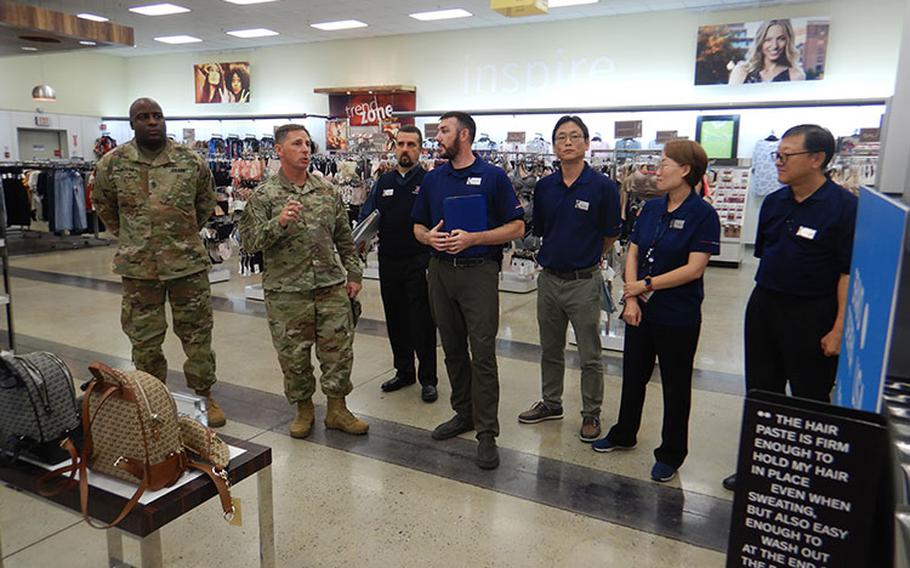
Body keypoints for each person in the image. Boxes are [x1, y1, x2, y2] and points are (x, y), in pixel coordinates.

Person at [722, 124, 856, 491]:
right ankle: (757, 466)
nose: (778, 162)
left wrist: (839, 327)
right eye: (776, 155)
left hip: (813, 312)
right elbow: (767, 253)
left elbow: (846, 273)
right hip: (765, 303)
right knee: (761, 392)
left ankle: (806, 479)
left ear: (817, 159)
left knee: (809, 396)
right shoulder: (775, 202)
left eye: (786, 155)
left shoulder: (844, 207)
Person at [592, 140, 721, 483]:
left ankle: (671, 453)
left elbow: (694, 269)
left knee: (676, 385)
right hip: (641, 309)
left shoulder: (703, 215)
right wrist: (632, 298)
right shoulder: (651, 208)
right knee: (633, 375)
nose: (657, 170)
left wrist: (644, 286)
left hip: (678, 314)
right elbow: (632, 251)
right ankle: (624, 433)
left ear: (685, 170)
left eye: (664, 164)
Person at [92, 97, 226, 427]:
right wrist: (132, 237)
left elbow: (206, 201)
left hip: (187, 266)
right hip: (139, 269)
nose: (152, 122)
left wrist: (181, 234)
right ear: (132, 123)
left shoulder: (189, 160)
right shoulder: (113, 163)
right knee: (145, 339)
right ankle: (152, 398)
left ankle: (205, 395)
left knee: (197, 336)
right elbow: (103, 203)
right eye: (143, 117)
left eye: (157, 116)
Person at [238, 124, 367, 439]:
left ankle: (337, 409)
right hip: (287, 292)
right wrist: (278, 223)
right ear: (279, 150)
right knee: (293, 357)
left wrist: (354, 273)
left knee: (338, 353)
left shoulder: (326, 191)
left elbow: (344, 239)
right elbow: (249, 242)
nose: (306, 149)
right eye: (297, 144)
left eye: (308, 144)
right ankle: (304, 409)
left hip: (330, 287)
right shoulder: (264, 195)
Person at [412, 112, 525, 470]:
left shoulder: (493, 177)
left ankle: (487, 432)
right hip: (440, 272)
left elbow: (518, 227)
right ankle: (464, 413)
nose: (437, 137)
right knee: (453, 348)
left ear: (464, 135)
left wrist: (476, 238)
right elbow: (417, 224)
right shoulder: (433, 179)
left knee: (483, 351)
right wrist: (427, 237)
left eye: (443, 131)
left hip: (479, 273)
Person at [517, 116, 621, 442]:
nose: (568, 142)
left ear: (587, 143)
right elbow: (543, 230)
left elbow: (609, 235)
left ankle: (591, 412)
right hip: (549, 280)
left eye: (575, 136)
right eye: (561, 137)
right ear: (554, 146)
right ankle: (551, 403)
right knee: (550, 348)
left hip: (583, 281)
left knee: (590, 354)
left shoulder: (603, 187)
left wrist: (588, 256)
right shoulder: (545, 186)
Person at [359, 125, 439, 403]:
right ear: (394, 148)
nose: (405, 149)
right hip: (388, 260)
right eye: (401, 144)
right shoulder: (384, 182)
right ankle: (404, 371)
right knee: (395, 318)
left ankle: (429, 378)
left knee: (423, 321)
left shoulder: (430, 181)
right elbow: (368, 216)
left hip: (420, 260)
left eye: (411, 145)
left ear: (420, 149)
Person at [728, 19, 806, 85]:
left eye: (781, 39)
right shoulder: (742, 70)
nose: (775, 46)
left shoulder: (795, 75)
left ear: (788, 41)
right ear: (760, 41)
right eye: (768, 40)